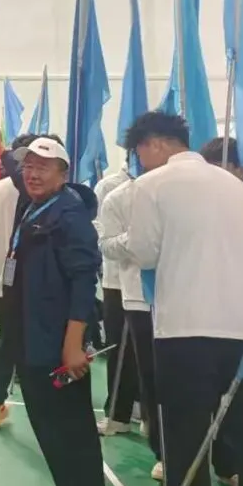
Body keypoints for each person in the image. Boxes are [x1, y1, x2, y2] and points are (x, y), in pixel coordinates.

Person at [118, 111, 243, 486]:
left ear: (153, 144)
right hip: (238, 330)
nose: (140, 161)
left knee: (186, 438)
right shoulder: (235, 186)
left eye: (139, 152)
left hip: (186, 328)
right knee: (236, 435)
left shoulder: (152, 185)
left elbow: (144, 251)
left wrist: (117, 244)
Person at [0, 135, 105, 486]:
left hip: (58, 348)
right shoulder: (36, 203)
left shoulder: (70, 216)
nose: (32, 173)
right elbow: (13, 170)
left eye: (43, 166)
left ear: (64, 173)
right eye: (28, 166)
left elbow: (84, 281)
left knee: (74, 439)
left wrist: (73, 343)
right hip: (30, 342)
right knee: (49, 432)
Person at [0, 133, 36, 427]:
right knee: (28, 345)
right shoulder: (38, 194)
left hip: (3, 282)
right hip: (28, 285)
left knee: (5, 343)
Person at [94, 160, 136, 434]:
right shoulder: (110, 188)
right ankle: (118, 414)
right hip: (117, 283)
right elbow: (101, 235)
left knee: (146, 354)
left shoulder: (159, 188)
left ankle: (145, 413)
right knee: (120, 351)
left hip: (156, 285)